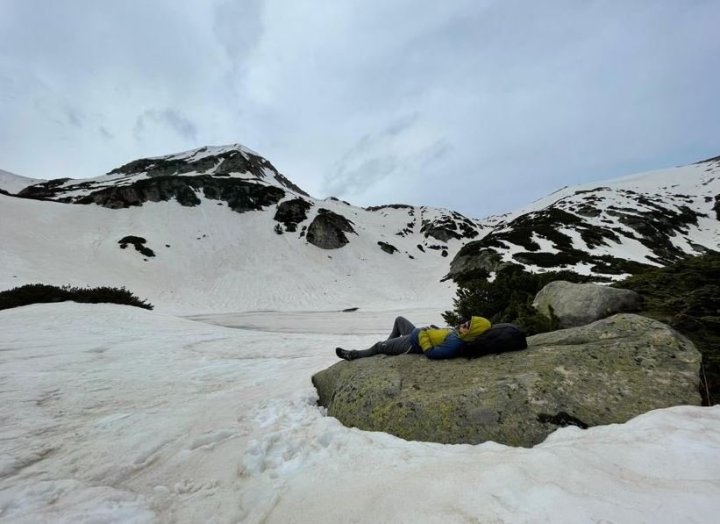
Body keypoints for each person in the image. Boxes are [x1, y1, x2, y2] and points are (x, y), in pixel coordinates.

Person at [335, 315, 491, 361]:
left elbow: (432, 352)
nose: (464, 323)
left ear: (473, 332)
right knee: (399, 320)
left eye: (468, 325)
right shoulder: (457, 335)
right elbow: (439, 338)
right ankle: (387, 346)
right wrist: (434, 330)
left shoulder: (456, 343)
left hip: (412, 343)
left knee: (376, 346)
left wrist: (423, 334)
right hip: (415, 335)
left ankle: (353, 355)